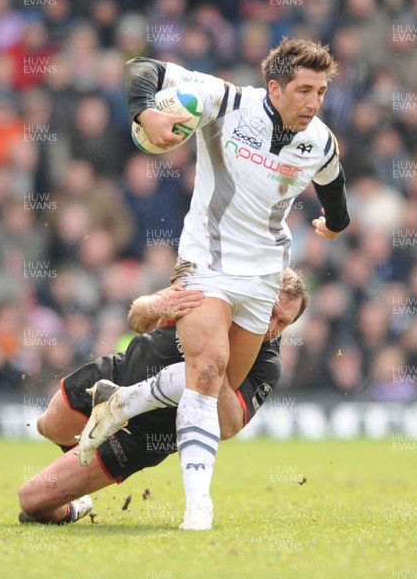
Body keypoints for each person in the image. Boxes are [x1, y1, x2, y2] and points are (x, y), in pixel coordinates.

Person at [79, 37, 350, 530]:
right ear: (275, 87)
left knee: (219, 385)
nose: (313, 102)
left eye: (321, 91)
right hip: (207, 262)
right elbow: (141, 67)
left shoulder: (321, 140)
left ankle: (121, 402)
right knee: (206, 369)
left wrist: (335, 222)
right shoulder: (226, 101)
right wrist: (145, 116)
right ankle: (198, 507)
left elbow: (333, 183)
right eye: (305, 90)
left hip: (265, 276)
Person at [18, 270, 308, 525]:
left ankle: (75, 504)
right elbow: (137, 318)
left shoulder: (267, 363)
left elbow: (229, 426)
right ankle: (77, 465)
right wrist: (156, 305)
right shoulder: (209, 296)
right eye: (269, 312)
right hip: (117, 375)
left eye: (283, 322)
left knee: (31, 501)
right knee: (48, 425)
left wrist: (211, 367)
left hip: (146, 435)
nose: (271, 327)